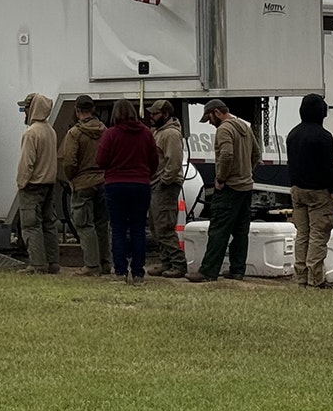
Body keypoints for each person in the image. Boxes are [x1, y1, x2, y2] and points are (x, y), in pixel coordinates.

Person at [189, 99, 259, 282]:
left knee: (218, 230)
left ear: (218, 112)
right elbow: (257, 154)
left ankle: (208, 271)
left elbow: (227, 154)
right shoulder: (244, 126)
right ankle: (237, 270)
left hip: (229, 188)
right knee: (240, 231)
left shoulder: (224, 130)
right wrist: (247, 172)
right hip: (246, 187)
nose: (210, 122)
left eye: (210, 118)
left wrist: (221, 178)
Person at [96, 98, 160, 284]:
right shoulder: (146, 134)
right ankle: (138, 272)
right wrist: (145, 174)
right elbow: (154, 160)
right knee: (138, 229)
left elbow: (101, 160)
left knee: (118, 229)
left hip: (115, 184)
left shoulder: (110, 134)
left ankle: (120, 271)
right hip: (141, 184)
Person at [286, 93, 333, 289]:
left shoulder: (293, 134)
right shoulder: (324, 137)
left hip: (297, 189)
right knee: (319, 234)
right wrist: (332, 190)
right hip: (318, 192)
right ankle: (316, 278)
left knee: (302, 234)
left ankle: (301, 276)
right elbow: (329, 168)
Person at [58, 95, 109, 276]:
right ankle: (105, 262)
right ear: (93, 109)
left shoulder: (74, 133)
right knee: (102, 224)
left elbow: (69, 161)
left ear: (77, 110)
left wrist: (72, 178)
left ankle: (91, 265)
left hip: (82, 183)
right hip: (103, 181)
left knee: (84, 225)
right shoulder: (105, 130)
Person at [15, 92, 60, 274]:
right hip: (49, 184)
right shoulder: (50, 130)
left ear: (31, 109)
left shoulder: (31, 133)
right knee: (48, 224)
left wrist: (21, 182)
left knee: (31, 226)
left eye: (25, 108)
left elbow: (27, 162)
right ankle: (52, 262)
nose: (25, 112)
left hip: (33, 185)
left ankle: (37, 264)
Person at [147, 99, 188, 278]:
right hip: (159, 184)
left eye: (155, 114)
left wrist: (164, 181)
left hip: (166, 185)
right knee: (156, 226)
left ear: (164, 114)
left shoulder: (170, 134)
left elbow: (174, 161)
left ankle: (178, 263)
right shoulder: (160, 132)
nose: (151, 117)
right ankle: (166, 262)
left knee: (164, 226)